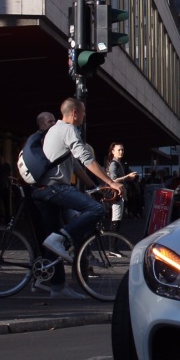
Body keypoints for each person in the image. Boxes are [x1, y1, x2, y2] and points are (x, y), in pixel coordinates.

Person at [34, 97, 124, 266]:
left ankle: (54, 285)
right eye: (83, 112)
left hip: (44, 189)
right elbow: (86, 159)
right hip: (55, 187)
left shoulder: (55, 130)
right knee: (96, 209)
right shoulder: (69, 129)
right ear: (74, 113)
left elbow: (76, 167)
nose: (84, 116)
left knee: (52, 237)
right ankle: (61, 239)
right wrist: (111, 183)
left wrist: (95, 185)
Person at [104, 142, 138, 234]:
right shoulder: (114, 164)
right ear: (113, 151)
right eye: (119, 150)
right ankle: (112, 247)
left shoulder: (119, 164)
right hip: (116, 194)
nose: (121, 152)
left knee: (116, 220)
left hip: (117, 194)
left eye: (122, 150)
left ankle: (113, 245)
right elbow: (113, 180)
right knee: (116, 221)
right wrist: (127, 177)